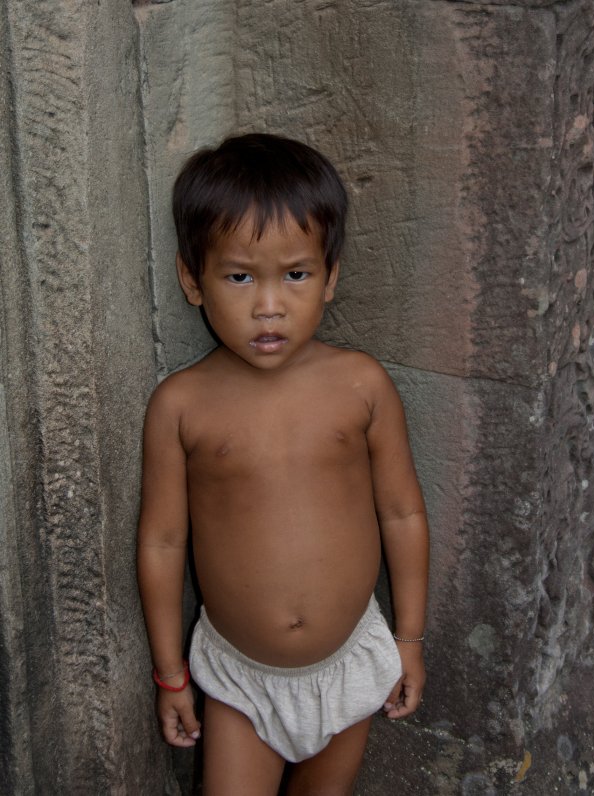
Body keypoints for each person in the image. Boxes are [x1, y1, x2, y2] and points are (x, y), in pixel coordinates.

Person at [137, 133, 430, 796]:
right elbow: (161, 541)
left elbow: (402, 511)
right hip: (241, 680)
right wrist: (169, 673)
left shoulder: (361, 386)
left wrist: (409, 638)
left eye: (295, 274)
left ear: (330, 278)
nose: (268, 306)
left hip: (350, 661)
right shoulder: (181, 406)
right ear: (193, 279)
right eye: (239, 276)